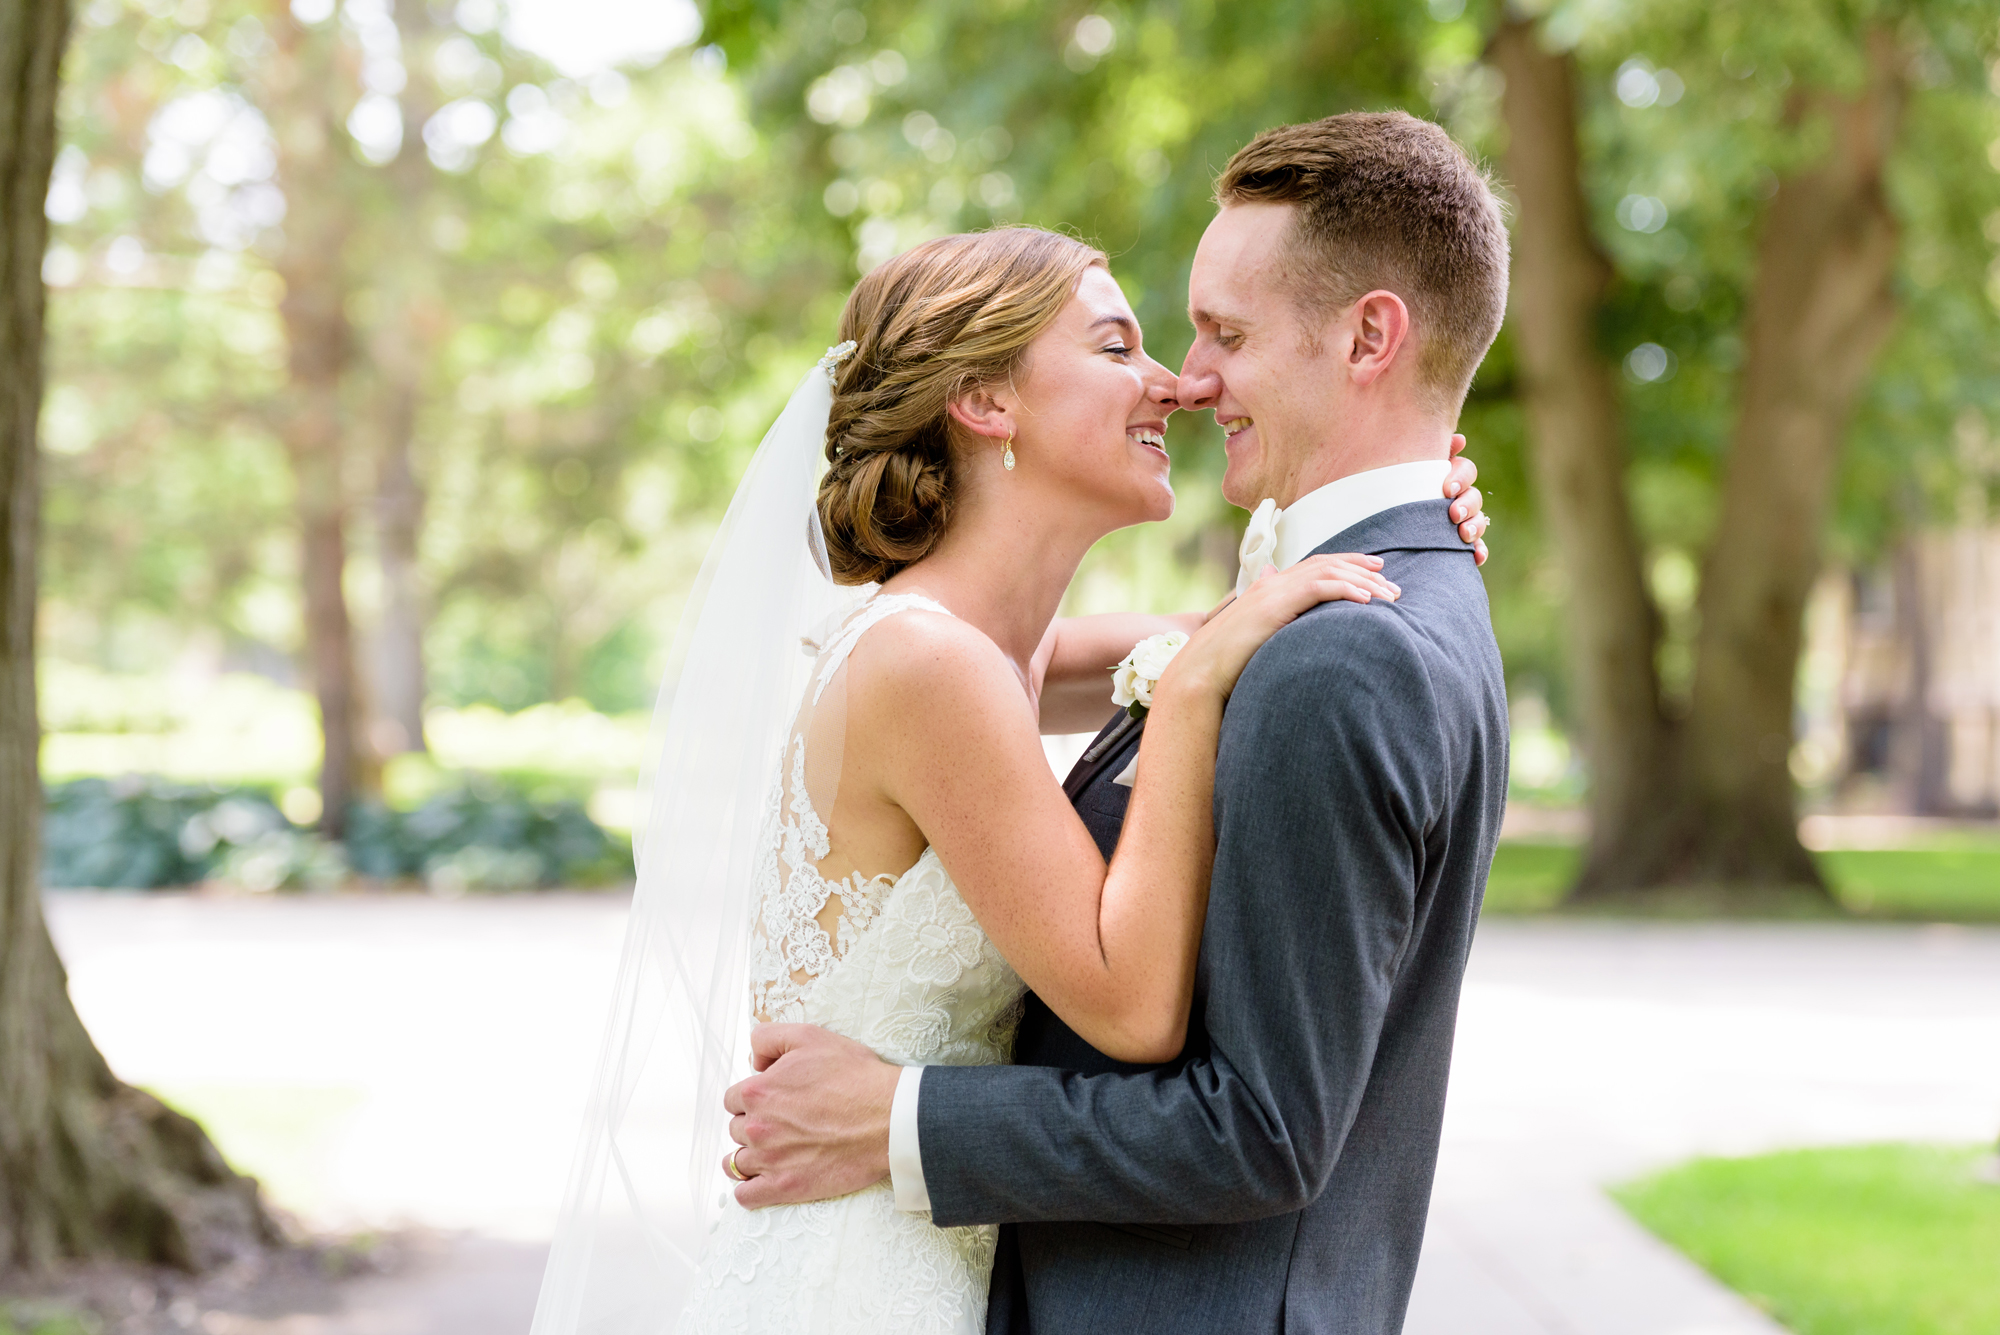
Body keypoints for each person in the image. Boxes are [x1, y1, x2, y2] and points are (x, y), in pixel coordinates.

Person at [715, 111, 1513, 1335]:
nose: (1181, 382)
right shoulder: (931, 662)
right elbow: (1135, 989)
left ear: (1368, 335)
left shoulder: (1019, 651)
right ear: (985, 401)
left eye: (1215, 335)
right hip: (859, 1270)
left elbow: (1213, 643)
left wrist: (1403, 498)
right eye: (1123, 345)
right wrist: (1230, 656)